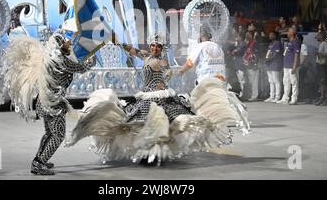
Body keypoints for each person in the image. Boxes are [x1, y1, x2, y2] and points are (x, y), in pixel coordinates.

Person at [67, 33, 250, 165]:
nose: (154, 48)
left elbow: (166, 72)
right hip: (145, 94)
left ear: (161, 49)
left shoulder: (161, 60)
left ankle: (155, 153)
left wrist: (165, 78)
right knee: (136, 122)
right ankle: (146, 152)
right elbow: (131, 50)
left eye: (157, 46)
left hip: (158, 96)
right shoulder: (146, 56)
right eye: (153, 45)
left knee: (159, 122)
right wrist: (117, 41)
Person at [3, 33, 96, 175]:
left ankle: (39, 159)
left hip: (45, 102)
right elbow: (81, 68)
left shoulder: (49, 57)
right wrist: (93, 54)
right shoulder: (60, 61)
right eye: (64, 42)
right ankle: (39, 163)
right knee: (58, 135)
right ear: (58, 46)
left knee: (49, 133)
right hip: (53, 105)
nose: (68, 43)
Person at [278, 27, 300, 105]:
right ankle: (285, 98)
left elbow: (297, 55)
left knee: (294, 82)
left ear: (293, 33)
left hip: (291, 66)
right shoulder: (289, 42)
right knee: (285, 82)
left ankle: (294, 98)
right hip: (286, 66)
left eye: (289, 31)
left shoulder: (296, 42)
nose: (287, 33)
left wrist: (294, 66)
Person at [314, 31, 327, 106]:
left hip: (324, 66)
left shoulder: (324, 43)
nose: (317, 36)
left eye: (318, 35)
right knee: (322, 82)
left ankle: (326, 98)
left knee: (324, 82)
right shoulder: (321, 44)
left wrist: (320, 53)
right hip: (321, 65)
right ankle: (322, 97)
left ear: (322, 36)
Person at [264, 31, 282, 103]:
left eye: (271, 34)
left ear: (275, 36)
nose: (269, 35)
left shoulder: (277, 43)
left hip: (275, 64)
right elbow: (268, 53)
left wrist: (268, 59)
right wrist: (266, 59)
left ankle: (277, 97)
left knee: (276, 81)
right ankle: (272, 96)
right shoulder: (270, 44)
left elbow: (276, 54)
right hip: (269, 64)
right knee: (271, 81)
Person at [243, 31, 259, 101]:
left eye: (248, 34)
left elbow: (256, 55)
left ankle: (254, 96)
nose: (247, 36)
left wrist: (255, 63)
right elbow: (246, 53)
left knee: (254, 82)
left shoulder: (254, 43)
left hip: (253, 65)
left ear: (252, 36)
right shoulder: (248, 44)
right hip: (248, 65)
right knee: (250, 81)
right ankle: (250, 95)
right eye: (246, 34)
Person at [231, 32, 247, 99]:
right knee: (240, 80)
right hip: (237, 64)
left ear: (241, 37)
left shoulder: (243, 44)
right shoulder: (239, 43)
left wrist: (235, 51)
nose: (237, 38)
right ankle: (241, 93)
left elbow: (238, 51)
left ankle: (244, 93)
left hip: (241, 64)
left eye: (238, 36)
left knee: (242, 80)